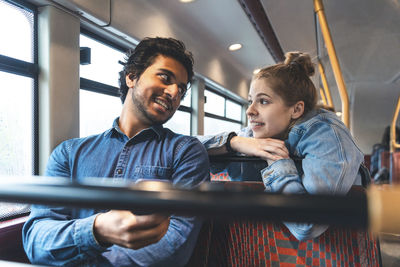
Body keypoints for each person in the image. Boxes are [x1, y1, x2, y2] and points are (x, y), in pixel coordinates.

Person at [23, 37, 210, 266]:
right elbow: (37, 240)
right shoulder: (69, 153)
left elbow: (175, 243)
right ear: (131, 76)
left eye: (181, 89)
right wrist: (97, 229)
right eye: (165, 78)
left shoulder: (186, 151)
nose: (174, 93)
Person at [199, 51, 364, 241]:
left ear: (296, 109)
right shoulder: (255, 134)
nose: (250, 111)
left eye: (263, 101)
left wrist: (276, 160)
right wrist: (233, 142)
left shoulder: (327, 136)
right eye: (250, 101)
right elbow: (183, 149)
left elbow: (306, 225)